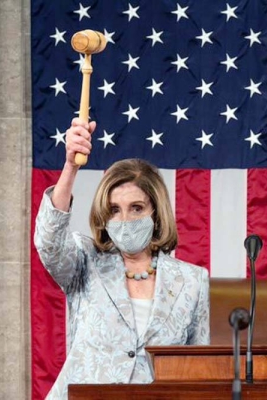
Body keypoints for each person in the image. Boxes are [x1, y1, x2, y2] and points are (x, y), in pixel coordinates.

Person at [34, 118, 210, 399]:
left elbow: (199, 372)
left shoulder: (192, 281)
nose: (125, 220)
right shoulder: (85, 261)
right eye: (114, 210)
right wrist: (71, 166)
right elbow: (48, 241)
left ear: (156, 211)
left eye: (136, 208)